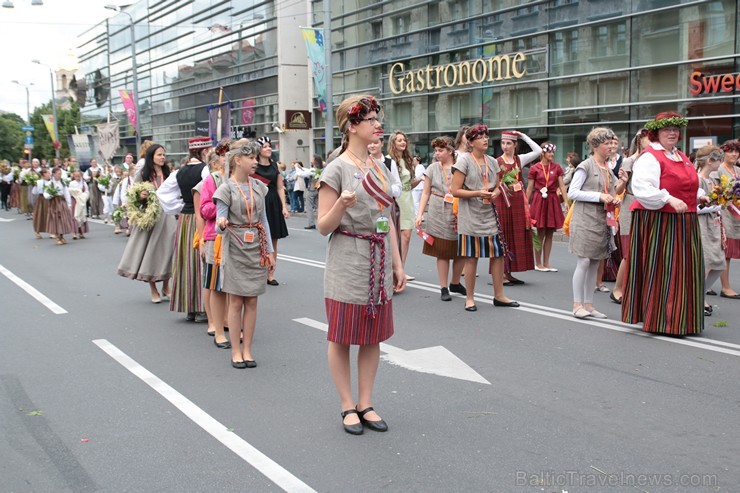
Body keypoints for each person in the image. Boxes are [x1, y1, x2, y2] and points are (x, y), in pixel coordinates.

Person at [317, 95, 405, 435]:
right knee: (342, 336)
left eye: (377, 120)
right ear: (352, 126)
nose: (377, 125)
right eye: (370, 120)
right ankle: (346, 405)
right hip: (347, 258)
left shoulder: (380, 167)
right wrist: (341, 203)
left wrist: (398, 265)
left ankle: (366, 402)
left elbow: (388, 219)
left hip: (378, 257)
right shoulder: (336, 168)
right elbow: (324, 225)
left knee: (372, 337)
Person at [622, 112, 708, 336]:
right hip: (660, 221)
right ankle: (663, 320)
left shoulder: (680, 155)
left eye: (675, 130)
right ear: (656, 133)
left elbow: (686, 183)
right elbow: (642, 188)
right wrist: (667, 198)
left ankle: (682, 319)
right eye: (667, 129)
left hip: (684, 221)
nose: (672, 133)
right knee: (666, 269)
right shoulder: (651, 157)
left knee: (684, 271)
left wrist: (699, 194)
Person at [214, 139, 273, 369]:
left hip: (256, 247)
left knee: (253, 301)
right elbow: (220, 219)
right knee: (236, 300)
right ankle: (235, 351)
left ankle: (248, 349)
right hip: (235, 246)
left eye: (256, 158)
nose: (255, 162)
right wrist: (221, 222)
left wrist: (270, 250)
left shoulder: (259, 187)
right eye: (251, 158)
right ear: (237, 160)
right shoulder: (226, 188)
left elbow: (264, 220)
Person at [451, 124, 519, 311]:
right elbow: (454, 190)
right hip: (470, 217)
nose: (485, 139)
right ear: (471, 142)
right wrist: (477, 193)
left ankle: (499, 295)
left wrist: (497, 192)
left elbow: (498, 184)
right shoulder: (463, 161)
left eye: (486, 136)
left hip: (490, 215)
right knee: (472, 257)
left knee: (497, 255)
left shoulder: (492, 161)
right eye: (480, 137)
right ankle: (470, 298)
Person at [567, 127, 620, 319]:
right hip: (584, 219)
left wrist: (615, 198)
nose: (611, 147)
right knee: (584, 261)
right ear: (595, 146)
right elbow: (573, 192)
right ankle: (576, 304)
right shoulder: (585, 166)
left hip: (600, 221)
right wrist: (600, 196)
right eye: (607, 144)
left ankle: (589, 305)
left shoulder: (608, 168)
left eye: (611, 143)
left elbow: (611, 192)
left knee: (595, 262)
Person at [157, 136, 212, 321]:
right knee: (201, 260)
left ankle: (189, 307)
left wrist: (180, 205)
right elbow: (209, 191)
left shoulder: (178, 172)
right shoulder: (205, 170)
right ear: (203, 151)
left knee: (186, 261)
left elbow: (162, 193)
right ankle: (202, 308)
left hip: (184, 219)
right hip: (199, 218)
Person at [117, 144, 177, 303]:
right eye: (159, 155)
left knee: (169, 250)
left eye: (164, 154)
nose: (162, 157)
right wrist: (141, 196)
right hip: (150, 217)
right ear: (152, 157)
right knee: (151, 252)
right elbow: (133, 196)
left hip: (167, 215)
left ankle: (166, 285)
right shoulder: (143, 174)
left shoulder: (167, 173)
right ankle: (153, 290)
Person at [415, 136, 467, 301]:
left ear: (450, 151)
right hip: (438, 211)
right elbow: (425, 192)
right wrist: (420, 214)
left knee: (461, 251)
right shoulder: (432, 168)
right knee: (442, 252)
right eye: (436, 150)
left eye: (441, 150)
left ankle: (455, 282)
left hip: (459, 210)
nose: (437, 153)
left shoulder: (461, 167)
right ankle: (444, 287)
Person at [610, 128, 650, 304]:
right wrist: (624, 182)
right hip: (630, 205)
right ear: (639, 140)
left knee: (645, 251)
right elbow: (617, 190)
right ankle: (617, 289)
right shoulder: (629, 161)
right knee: (629, 252)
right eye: (648, 138)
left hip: (648, 206)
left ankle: (637, 289)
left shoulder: (654, 161)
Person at [496, 130, 541, 282]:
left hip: (518, 203)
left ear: (515, 145)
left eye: (509, 143)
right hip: (503, 202)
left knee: (515, 236)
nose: (505, 146)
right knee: (504, 236)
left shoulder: (519, 160)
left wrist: (523, 136)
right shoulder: (497, 162)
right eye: (503, 143)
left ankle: (509, 272)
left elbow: (538, 150)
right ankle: (501, 273)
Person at [199, 142, 231, 347]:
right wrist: (224, 203)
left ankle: (228, 320)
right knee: (214, 282)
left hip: (237, 237)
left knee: (232, 284)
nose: (227, 158)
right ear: (218, 158)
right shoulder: (212, 179)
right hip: (215, 236)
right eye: (224, 155)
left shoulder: (243, 179)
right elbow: (204, 209)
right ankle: (213, 322)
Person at [526, 142, 568, 272]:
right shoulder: (535, 168)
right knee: (540, 233)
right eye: (549, 152)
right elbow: (530, 188)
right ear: (543, 153)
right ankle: (538, 263)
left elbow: (562, 185)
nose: (552, 154)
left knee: (550, 232)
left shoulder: (557, 167)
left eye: (553, 152)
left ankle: (547, 262)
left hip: (552, 200)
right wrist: (526, 204)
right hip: (539, 200)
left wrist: (566, 201)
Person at [695, 145, 726, 316]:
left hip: (714, 223)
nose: (720, 163)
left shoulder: (712, 180)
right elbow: (695, 206)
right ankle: (698, 298)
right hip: (701, 223)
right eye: (718, 160)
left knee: (718, 263)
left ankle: (701, 293)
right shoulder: (697, 179)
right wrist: (714, 207)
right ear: (709, 161)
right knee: (705, 261)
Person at [254, 136, 289, 285]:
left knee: (273, 239)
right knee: (257, 239)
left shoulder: (276, 166)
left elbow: (280, 187)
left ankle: (271, 273)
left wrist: (284, 206)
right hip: (259, 203)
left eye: (269, 146)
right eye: (265, 146)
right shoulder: (253, 166)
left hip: (273, 202)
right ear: (259, 150)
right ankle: (258, 270)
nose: (268, 149)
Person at [388, 130, 419, 280]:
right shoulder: (388, 161)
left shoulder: (407, 160)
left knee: (406, 236)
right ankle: (393, 270)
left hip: (408, 199)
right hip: (395, 199)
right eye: (399, 140)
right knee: (394, 237)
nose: (402, 142)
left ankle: (401, 269)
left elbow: (409, 184)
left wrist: (420, 180)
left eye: (404, 140)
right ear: (393, 143)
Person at [715, 139, 740, 299]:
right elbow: (713, 192)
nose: (734, 154)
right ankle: (725, 287)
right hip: (723, 213)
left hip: (736, 215)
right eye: (730, 151)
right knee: (725, 252)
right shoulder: (718, 170)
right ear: (724, 152)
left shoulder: (737, 169)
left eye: (737, 151)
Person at [44, 167, 75, 246]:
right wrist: (51, 194)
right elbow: (46, 194)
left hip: (61, 202)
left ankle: (62, 236)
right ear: (53, 174)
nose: (60, 175)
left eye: (60, 174)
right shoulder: (49, 183)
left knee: (63, 219)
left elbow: (66, 193)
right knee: (56, 219)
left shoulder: (63, 182)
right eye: (58, 174)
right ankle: (58, 237)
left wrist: (69, 204)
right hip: (54, 202)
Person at [296, 155, 325, 229]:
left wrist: (297, 167)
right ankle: (323, 222)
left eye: (312, 159)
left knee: (309, 207)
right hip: (318, 189)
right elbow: (307, 170)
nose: (311, 160)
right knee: (319, 207)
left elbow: (302, 174)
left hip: (311, 190)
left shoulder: (314, 170)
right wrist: (301, 168)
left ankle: (311, 223)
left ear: (315, 161)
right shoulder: (320, 170)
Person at [68, 170, 90, 240]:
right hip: (75, 200)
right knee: (75, 215)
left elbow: (87, 191)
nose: (78, 177)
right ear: (74, 176)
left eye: (79, 176)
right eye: (76, 176)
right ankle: (74, 232)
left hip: (82, 201)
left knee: (82, 215)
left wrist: (84, 196)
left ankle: (81, 232)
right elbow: (70, 192)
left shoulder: (84, 183)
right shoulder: (72, 183)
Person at [31, 168, 52, 239]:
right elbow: (34, 192)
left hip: (49, 199)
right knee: (40, 215)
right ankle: (37, 232)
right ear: (43, 175)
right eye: (48, 173)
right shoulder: (39, 182)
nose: (49, 174)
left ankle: (51, 231)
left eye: (49, 173)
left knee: (50, 215)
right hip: (41, 199)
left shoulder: (51, 182)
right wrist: (36, 187)